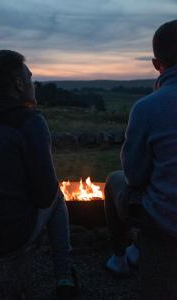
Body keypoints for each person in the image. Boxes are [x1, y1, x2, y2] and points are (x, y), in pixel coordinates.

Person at [0, 50, 80, 300]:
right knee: (57, 198)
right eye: (30, 78)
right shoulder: (28, 121)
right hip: (6, 240)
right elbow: (45, 195)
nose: (34, 85)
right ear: (19, 84)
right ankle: (64, 277)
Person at [104, 20, 177, 299]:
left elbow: (134, 174)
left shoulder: (148, 107)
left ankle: (120, 257)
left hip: (166, 223)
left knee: (114, 180)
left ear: (156, 63)